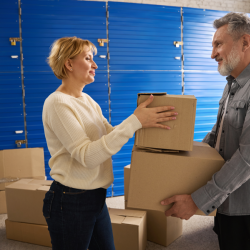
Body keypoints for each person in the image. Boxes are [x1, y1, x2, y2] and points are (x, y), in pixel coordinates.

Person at [42, 36, 178, 250]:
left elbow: (110, 135)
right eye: (88, 58)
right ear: (69, 64)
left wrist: (142, 122)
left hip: (96, 195)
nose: (95, 65)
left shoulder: (87, 101)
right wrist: (134, 123)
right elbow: (87, 156)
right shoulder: (57, 103)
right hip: (70, 201)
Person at [161, 12, 250, 250]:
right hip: (226, 201)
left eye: (218, 44)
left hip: (245, 209)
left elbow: (247, 158)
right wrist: (185, 157)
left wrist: (198, 200)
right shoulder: (232, 85)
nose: (212, 54)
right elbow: (217, 133)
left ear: (245, 43)